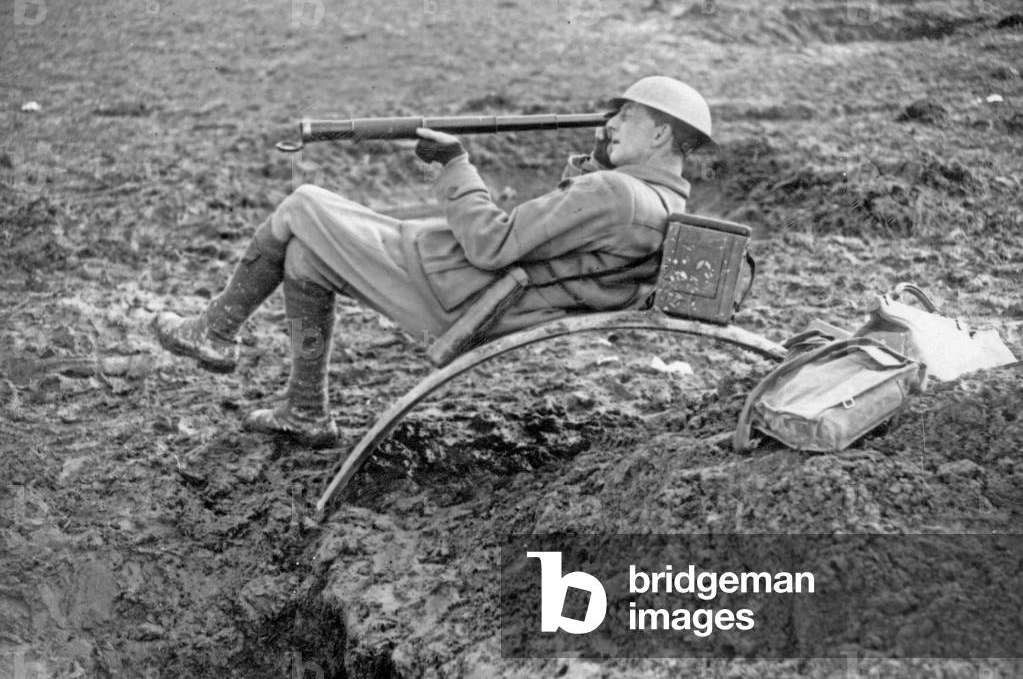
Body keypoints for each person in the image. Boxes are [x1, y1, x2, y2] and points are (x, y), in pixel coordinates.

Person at [153, 75, 713, 443]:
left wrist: (453, 163)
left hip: (461, 295)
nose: (610, 123)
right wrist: (598, 164)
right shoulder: (653, 198)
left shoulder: (617, 195)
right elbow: (565, 248)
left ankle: (215, 331)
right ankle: (304, 411)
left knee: (302, 205)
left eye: (627, 117)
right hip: (484, 294)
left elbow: (491, 243)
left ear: (661, 132)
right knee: (304, 255)